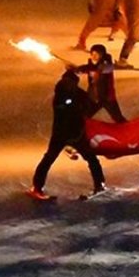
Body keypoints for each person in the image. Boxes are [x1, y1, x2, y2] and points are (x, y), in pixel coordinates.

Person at [28, 70, 107, 200]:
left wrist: (92, 84)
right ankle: (37, 187)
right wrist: (74, 102)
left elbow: (91, 105)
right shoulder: (61, 94)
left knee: (91, 158)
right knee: (49, 158)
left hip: (75, 132)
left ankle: (99, 184)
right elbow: (65, 106)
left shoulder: (77, 93)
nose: (68, 84)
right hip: (63, 133)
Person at [75, 44, 126, 122]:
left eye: (96, 54)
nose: (93, 56)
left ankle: (126, 130)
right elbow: (88, 68)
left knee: (118, 118)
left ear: (101, 55)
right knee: (84, 116)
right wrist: (75, 69)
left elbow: (102, 69)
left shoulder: (107, 65)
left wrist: (84, 69)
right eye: (92, 54)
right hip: (95, 98)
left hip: (107, 98)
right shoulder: (90, 65)